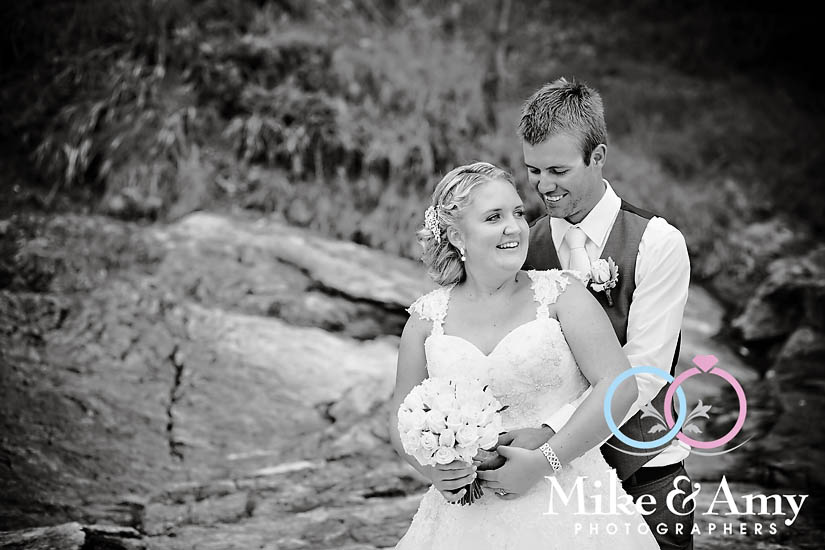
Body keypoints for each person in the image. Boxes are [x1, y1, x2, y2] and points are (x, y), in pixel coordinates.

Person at [389, 162, 659, 549]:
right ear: (457, 236)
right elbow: (401, 416)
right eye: (494, 217)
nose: (514, 227)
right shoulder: (425, 320)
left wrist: (546, 460)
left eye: (518, 213)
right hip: (464, 516)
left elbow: (619, 385)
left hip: (568, 502)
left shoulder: (562, 295)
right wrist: (435, 471)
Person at [485, 77, 693, 549]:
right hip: (546, 492)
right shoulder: (524, 246)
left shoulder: (658, 243)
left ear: (597, 156)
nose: (543, 186)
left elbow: (644, 373)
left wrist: (549, 437)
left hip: (645, 475)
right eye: (534, 170)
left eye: (558, 170)